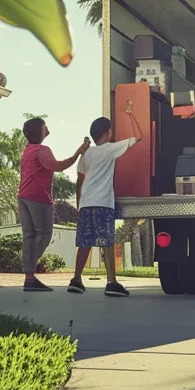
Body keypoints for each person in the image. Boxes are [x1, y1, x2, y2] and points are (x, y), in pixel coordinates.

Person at [68, 116, 139, 297]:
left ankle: (76, 279)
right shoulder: (110, 149)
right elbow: (138, 136)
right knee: (106, 242)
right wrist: (130, 114)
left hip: (86, 204)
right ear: (108, 133)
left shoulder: (87, 153)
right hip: (103, 204)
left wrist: (79, 205)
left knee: (85, 242)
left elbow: (79, 179)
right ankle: (111, 282)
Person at [18, 117, 90, 292]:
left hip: (23, 196)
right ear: (39, 130)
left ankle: (29, 278)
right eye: (44, 126)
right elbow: (58, 166)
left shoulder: (27, 150)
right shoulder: (42, 150)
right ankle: (29, 273)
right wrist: (78, 153)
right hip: (38, 198)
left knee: (29, 236)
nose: (47, 127)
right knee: (43, 234)